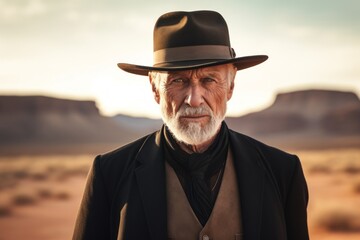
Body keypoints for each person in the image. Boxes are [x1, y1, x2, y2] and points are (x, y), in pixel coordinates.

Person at [73, 10, 309, 240]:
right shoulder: (110, 174)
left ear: (231, 86)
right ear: (155, 89)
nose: (194, 99)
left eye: (208, 80)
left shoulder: (282, 172)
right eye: (178, 81)